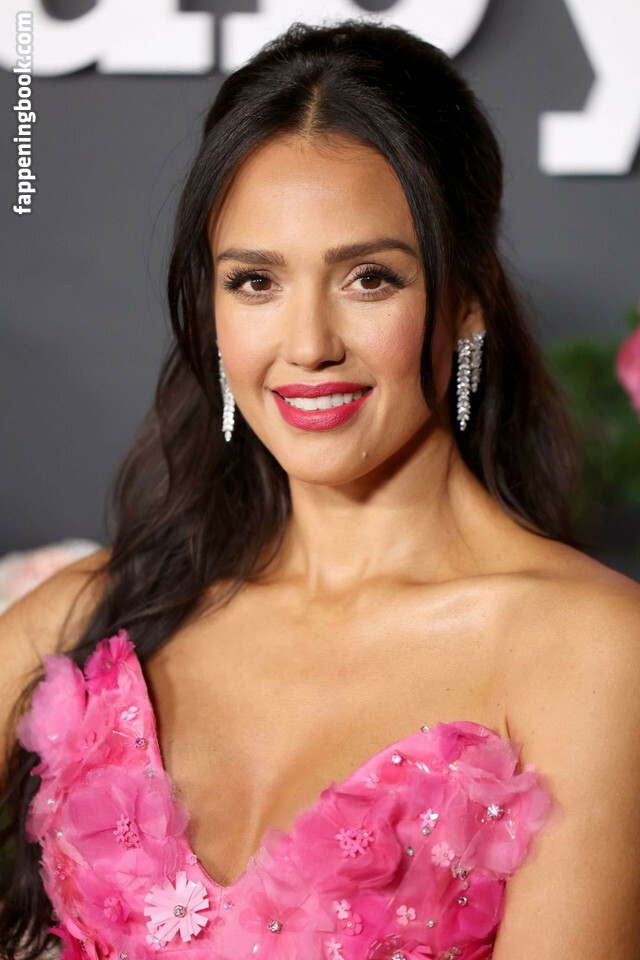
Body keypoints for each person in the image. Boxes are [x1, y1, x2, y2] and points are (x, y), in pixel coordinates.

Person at [1, 17, 640, 960]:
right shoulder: (88, 616)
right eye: (255, 282)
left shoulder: (594, 652)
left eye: (369, 279)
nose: (306, 345)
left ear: (467, 302)